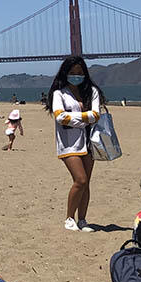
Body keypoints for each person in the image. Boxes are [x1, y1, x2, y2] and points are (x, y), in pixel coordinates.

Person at [44, 56, 102, 232]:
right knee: (80, 180)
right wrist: (85, 118)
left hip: (90, 142)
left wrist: (73, 118)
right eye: (72, 72)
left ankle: (82, 220)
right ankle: (69, 218)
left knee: (87, 183)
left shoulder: (92, 91)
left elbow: (96, 115)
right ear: (65, 73)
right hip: (69, 144)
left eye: (79, 72)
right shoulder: (58, 93)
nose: (76, 76)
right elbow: (60, 117)